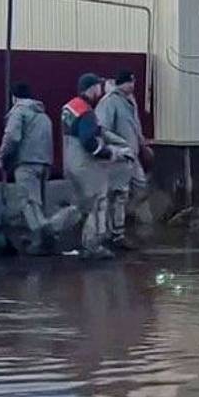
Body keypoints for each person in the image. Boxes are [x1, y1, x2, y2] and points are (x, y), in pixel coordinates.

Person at [62, 72, 131, 261]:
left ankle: (51, 230)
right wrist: (112, 153)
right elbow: (89, 141)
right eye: (99, 87)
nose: (101, 90)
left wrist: (119, 143)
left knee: (80, 205)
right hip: (85, 165)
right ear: (92, 88)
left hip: (70, 162)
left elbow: (99, 130)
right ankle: (93, 245)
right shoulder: (86, 112)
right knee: (97, 203)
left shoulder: (70, 107)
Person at [95, 70, 152, 249]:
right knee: (120, 193)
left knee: (141, 187)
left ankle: (118, 223)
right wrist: (121, 144)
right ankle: (116, 233)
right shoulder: (109, 102)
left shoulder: (130, 101)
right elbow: (102, 129)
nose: (133, 86)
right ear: (122, 83)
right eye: (130, 82)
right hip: (119, 156)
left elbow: (135, 125)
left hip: (132, 155)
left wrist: (143, 145)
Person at [0, 82, 56, 254]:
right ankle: (38, 236)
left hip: (26, 163)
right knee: (39, 204)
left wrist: (3, 157)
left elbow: (12, 137)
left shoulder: (19, 112)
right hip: (44, 164)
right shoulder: (43, 115)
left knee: (29, 203)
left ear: (14, 97)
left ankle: (41, 242)